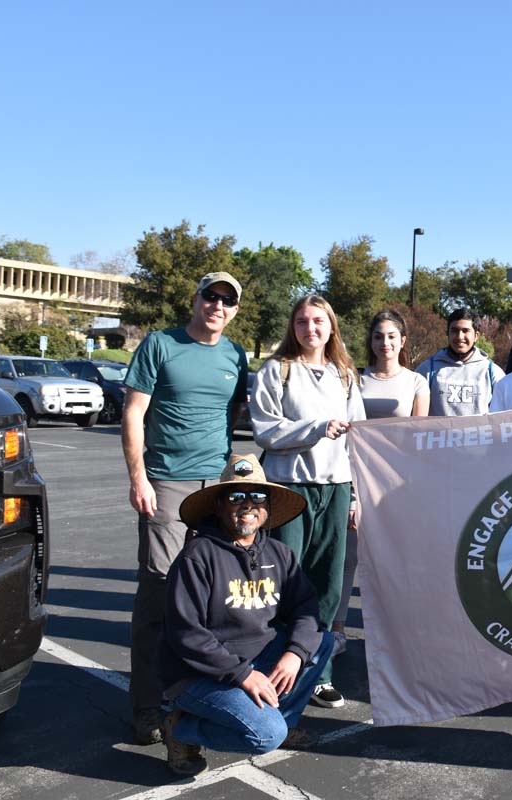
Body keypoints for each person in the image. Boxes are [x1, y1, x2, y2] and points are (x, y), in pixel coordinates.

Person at [122, 272, 249, 745]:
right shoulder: (160, 344)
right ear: (194, 299)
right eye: (210, 296)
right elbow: (134, 412)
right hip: (166, 483)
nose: (217, 305)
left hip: (215, 486)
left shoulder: (235, 356)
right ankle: (146, 707)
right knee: (158, 593)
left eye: (226, 301)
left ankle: (194, 697)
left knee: (209, 597)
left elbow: (230, 414)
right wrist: (139, 477)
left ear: (235, 310)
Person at [160, 454, 333, 776]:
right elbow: (186, 633)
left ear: (267, 508)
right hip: (201, 674)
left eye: (258, 497)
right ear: (218, 505)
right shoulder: (197, 557)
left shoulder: (280, 553)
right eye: (236, 496)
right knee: (265, 735)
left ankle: (285, 717)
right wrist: (242, 675)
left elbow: (306, 608)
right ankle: (181, 728)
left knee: (322, 642)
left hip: (257, 658)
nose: (248, 505)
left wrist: (294, 654)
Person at [250, 295, 365, 710]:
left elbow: (359, 438)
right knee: (284, 582)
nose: (310, 328)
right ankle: (272, 671)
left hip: (334, 487)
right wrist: (316, 428)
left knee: (328, 584)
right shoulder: (277, 371)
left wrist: (355, 495)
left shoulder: (346, 375)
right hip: (289, 489)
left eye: (318, 321)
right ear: (292, 327)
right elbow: (266, 430)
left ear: (331, 327)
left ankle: (318, 673)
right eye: (302, 321)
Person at [329, 310, 430, 649]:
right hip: (354, 478)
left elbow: (417, 440)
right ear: (370, 341)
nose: (384, 343)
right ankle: (338, 630)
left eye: (391, 336)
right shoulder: (352, 379)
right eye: (378, 336)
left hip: (396, 485)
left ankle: (395, 635)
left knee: (396, 561)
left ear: (402, 341)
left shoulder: (417, 382)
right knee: (347, 560)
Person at [418, 308, 505, 416]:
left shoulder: (493, 372)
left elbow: (503, 417)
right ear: (447, 334)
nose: (459, 337)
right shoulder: (426, 370)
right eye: (454, 330)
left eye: (465, 331)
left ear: (476, 336)